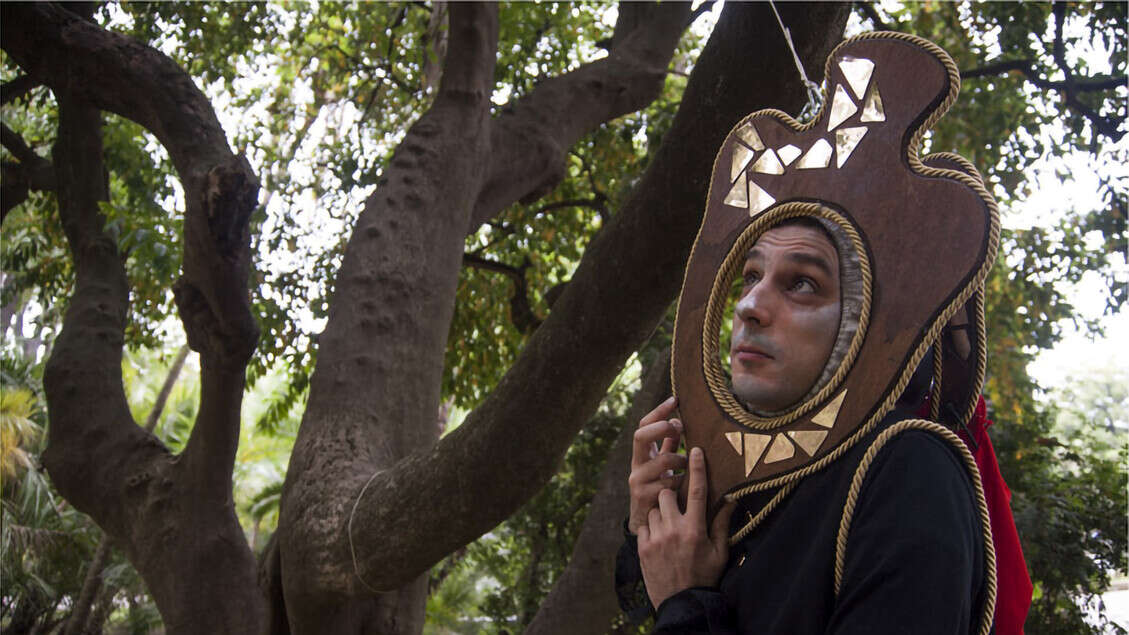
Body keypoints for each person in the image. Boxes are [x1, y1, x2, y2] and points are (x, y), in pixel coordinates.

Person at [616, 218, 992, 633]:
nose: (748, 307)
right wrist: (651, 533)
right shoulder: (749, 475)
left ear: (866, 324)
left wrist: (684, 604)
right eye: (751, 276)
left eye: (802, 284)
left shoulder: (909, 467)